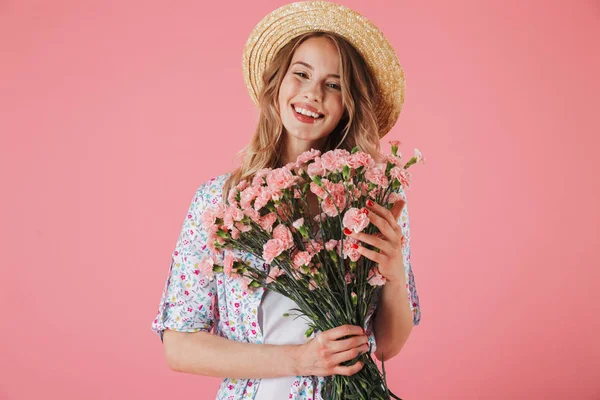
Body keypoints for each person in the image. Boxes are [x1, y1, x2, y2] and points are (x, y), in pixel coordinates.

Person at [151, 1, 421, 399]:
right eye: (301, 74)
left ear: (348, 104)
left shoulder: (371, 200)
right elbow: (179, 345)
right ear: (277, 83)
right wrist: (300, 360)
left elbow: (389, 345)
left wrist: (395, 274)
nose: (312, 94)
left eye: (334, 84)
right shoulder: (219, 202)